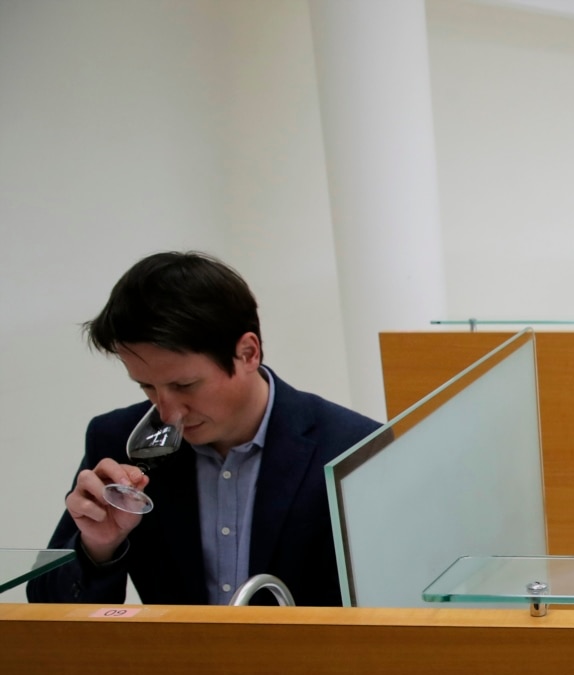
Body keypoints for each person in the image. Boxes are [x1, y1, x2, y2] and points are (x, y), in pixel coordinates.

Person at [29, 252, 381, 606]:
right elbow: (46, 609)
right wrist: (99, 546)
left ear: (248, 352)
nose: (167, 413)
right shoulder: (117, 441)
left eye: (185, 386)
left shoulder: (355, 448)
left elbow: (392, 611)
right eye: (146, 387)